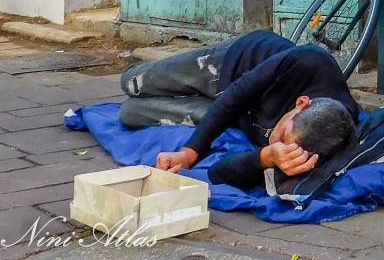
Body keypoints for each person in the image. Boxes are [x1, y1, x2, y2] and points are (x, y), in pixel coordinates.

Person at [120, 30, 360, 190]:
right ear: (301, 103)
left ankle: (192, 98)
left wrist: (264, 158)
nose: (277, 142)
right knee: (132, 82)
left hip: (235, 117)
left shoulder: (324, 144)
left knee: (129, 113)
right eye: (284, 134)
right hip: (228, 67)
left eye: (286, 146)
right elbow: (235, 96)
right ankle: (181, 80)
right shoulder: (307, 62)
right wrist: (189, 153)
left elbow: (218, 173)